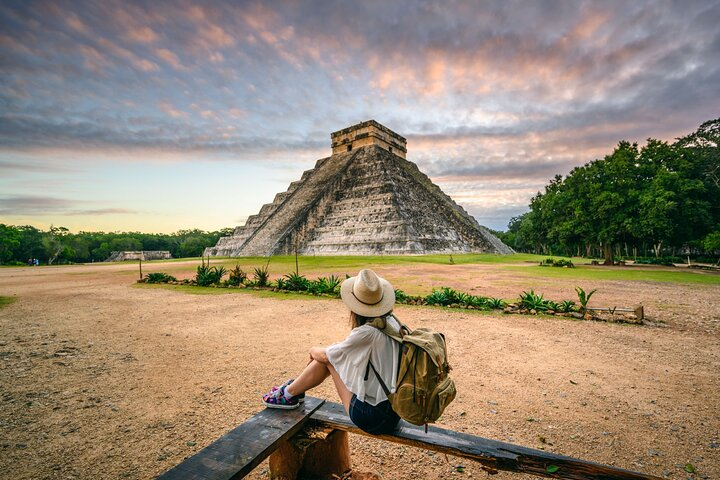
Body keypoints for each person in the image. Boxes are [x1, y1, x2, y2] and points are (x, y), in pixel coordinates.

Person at [262, 269, 402, 435]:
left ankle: (287, 394)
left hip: (373, 418)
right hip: (395, 411)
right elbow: (344, 351)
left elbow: (328, 356)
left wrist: (312, 350)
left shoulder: (367, 333)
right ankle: (291, 392)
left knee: (326, 359)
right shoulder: (392, 323)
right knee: (329, 356)